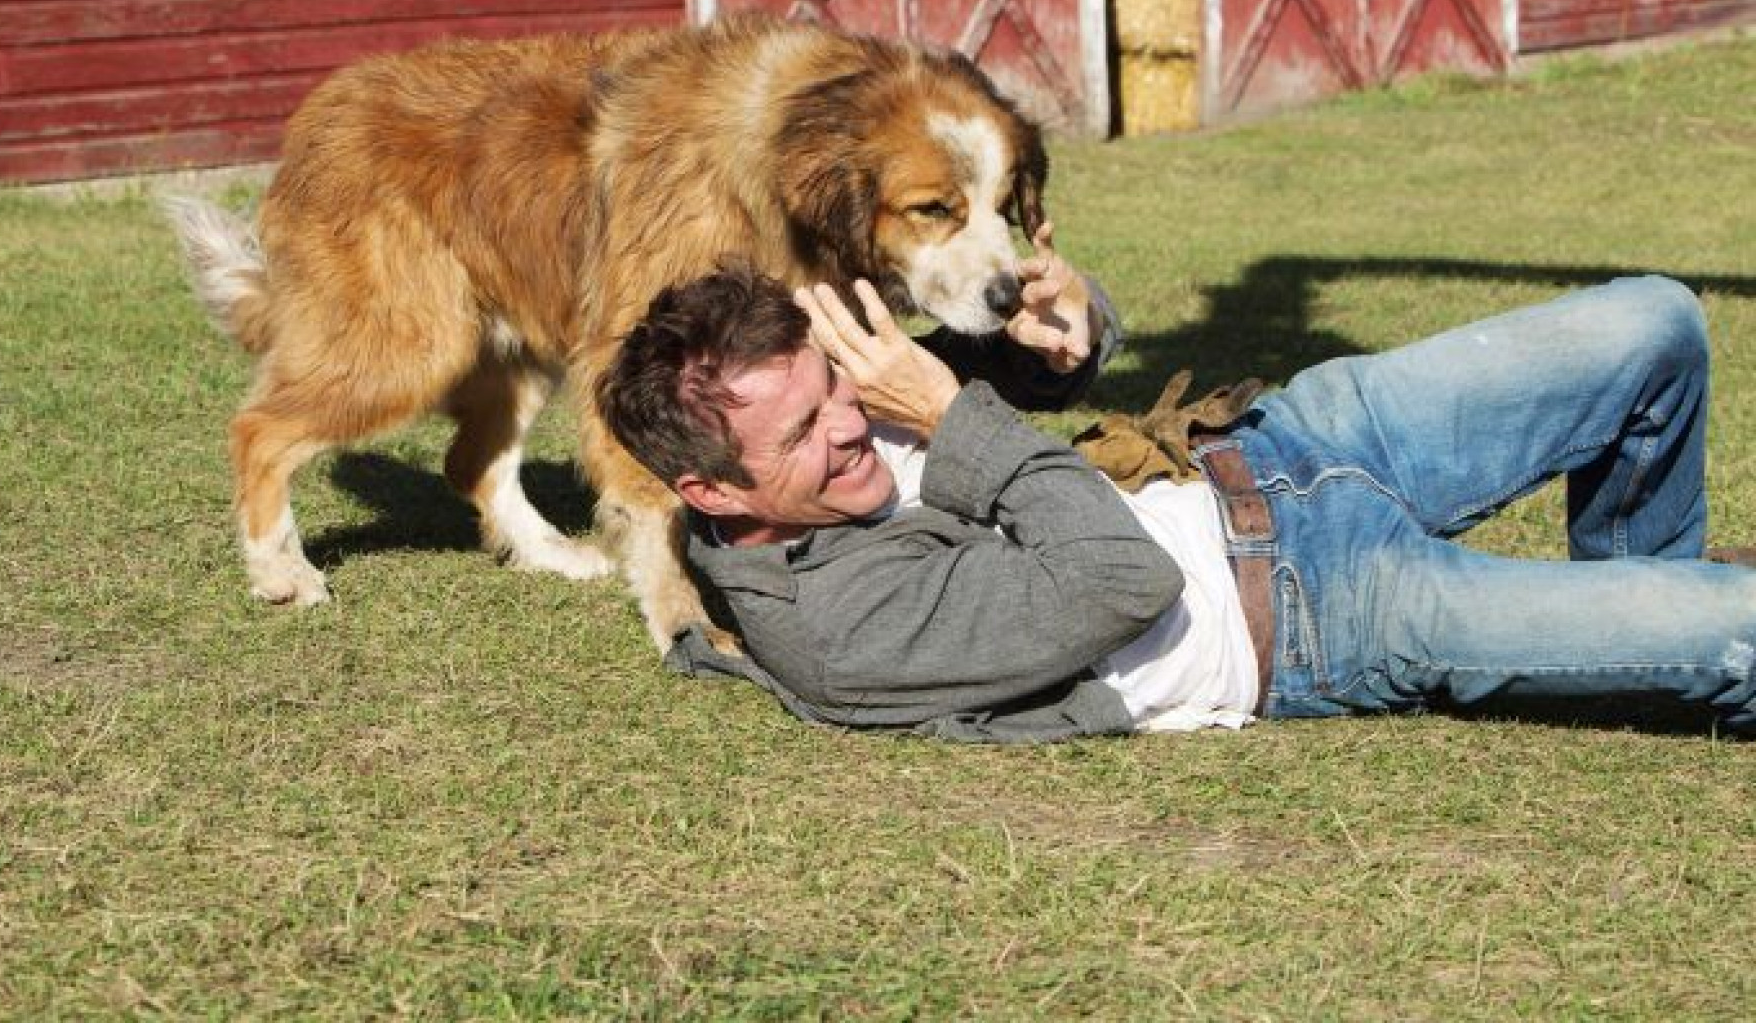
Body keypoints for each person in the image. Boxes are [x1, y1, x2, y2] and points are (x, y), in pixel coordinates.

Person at [597, 247, 1756, 742]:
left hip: (1287, 442)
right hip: (1318, 615)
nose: (850, 421)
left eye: (835, 386)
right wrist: (946, 411)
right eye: (803, 429)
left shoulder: (824, 459)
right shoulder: (841, 630)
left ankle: (1638, 611)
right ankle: (1668, 629)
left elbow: (996, 413)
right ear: (707, 486)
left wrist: (1066, 333)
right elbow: (1117, 574)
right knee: (1739, 627)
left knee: (1658, 320)